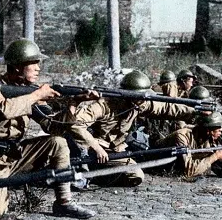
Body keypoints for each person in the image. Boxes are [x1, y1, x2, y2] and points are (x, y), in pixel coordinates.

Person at [0, 38, 95, 220]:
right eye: (33, 64)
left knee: (58, 143)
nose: (38, 69)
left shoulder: (30, 91)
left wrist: (73, 103)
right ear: (17, 67)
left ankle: (64, 202)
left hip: (15, 156)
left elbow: (53, 126)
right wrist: (37, 95)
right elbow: (6, 109)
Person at [65, 70, 197, 186]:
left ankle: (95, 175)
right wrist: (97, 148)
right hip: (91, 150)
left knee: (135, 176)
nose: (144, 101)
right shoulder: (104, 105)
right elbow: (76, 124)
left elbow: (166, 108)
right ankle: (83, 172)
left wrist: (195, 112)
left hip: (113, 151)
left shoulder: (140, 103)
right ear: (130, 96)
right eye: (140, 97)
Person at [154, 112, 222, 179]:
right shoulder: (182, 136)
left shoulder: (208, 139)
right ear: (208, 131)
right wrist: (214, 157)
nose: (221, 129)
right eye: (218, 127)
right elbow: (189, 171)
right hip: (154, 161)